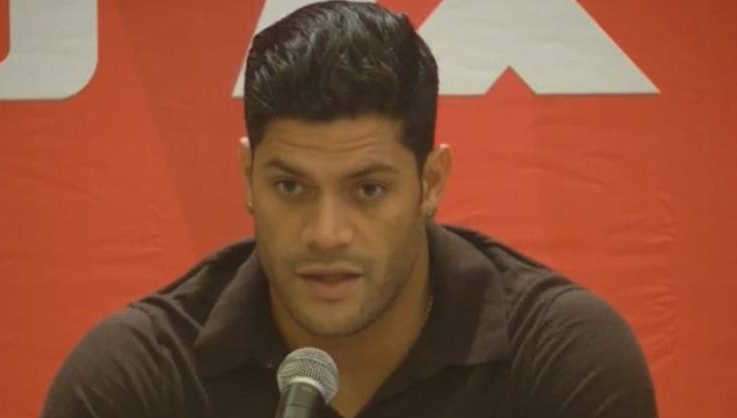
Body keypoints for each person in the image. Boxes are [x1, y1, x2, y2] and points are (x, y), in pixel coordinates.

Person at [40, 2, 658, 417]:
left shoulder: (560, 360)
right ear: (248, 177)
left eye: (368, 190)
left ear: (430, 183)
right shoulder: (137, 381)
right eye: (291, 187)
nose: (326, 233)